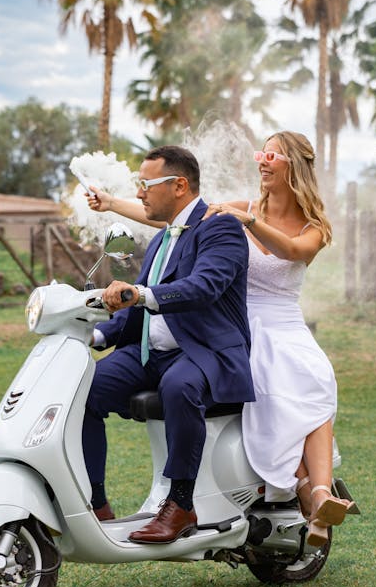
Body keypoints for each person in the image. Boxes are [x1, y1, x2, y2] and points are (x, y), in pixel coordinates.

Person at [84, 131, 353, 546]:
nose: (261, 161)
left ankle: (314, 492)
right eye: (259, 153)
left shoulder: (288, 223)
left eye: (271, 155)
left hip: (264, 326)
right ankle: (94, 503)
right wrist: (111, 203)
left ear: (294, 164)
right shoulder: (231, 212)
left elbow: (293, 251)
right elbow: (173, 216)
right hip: (226, 322)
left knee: (309, 390)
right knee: (85, 389)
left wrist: (248, 220)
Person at [82, 145, 255, 544]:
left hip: (204, 351)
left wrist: (139, 294)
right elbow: (138, 304)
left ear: (179, 185)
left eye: (146, 184)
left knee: (180, 387)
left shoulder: (221, 227)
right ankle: (96, 503)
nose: (140, 193)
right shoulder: (164, 238)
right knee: (80, 386)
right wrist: (95, 335)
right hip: (149, 353)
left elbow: (203, 287)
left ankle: (180, 504)